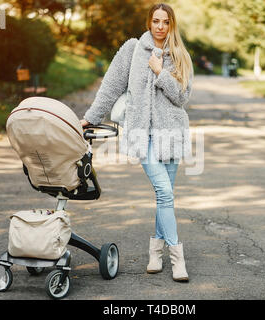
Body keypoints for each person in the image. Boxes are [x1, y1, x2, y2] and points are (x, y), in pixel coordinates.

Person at [80, 3, 193, 282]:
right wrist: (90, 117)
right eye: (155, 21)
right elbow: (111, 86)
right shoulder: (132, 49)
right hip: (142, 134)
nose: (160, 27)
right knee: (165, 193)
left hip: (171, 134)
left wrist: (160, 72)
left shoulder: (180, 54)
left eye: (165, 22)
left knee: (162, 195)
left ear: (171, 25)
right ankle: (178, 259)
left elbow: (182, 97)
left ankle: (156, 253)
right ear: (148, 22)